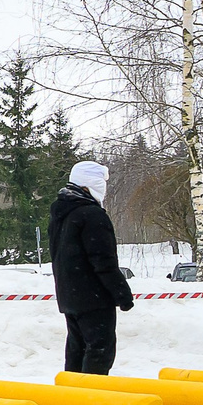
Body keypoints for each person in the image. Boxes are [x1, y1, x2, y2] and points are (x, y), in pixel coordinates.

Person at [50, 159, 131, 373]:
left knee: (76, 350)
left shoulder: (61, 214)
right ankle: (92, 400)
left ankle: (72, 399)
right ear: (89, 185)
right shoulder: (92, 215)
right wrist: (121, 293)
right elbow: (103, 261)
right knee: (99, 351)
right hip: (94, 297)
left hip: (70, 296)